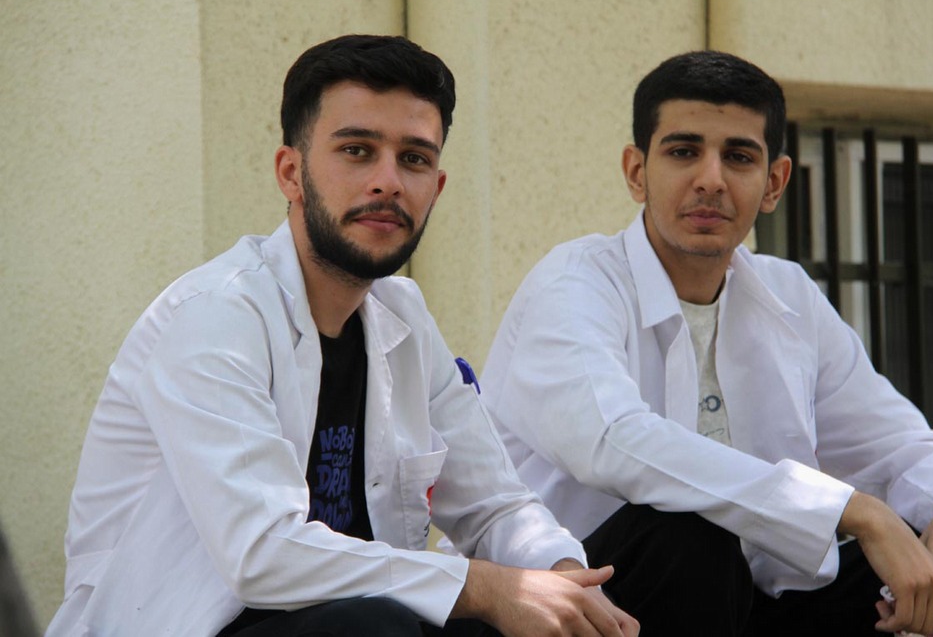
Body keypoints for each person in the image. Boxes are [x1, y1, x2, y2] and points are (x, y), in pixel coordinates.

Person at [46, 35, 638, 637]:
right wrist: (486, 588)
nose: (388, 181)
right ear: (291, 173)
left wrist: (565, 580)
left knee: (659, 547)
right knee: (381, 622)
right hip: (206, 625)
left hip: (368, 620)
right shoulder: (215, 316)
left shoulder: (403, 317)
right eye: (357, 151)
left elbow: (496, 505)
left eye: (414, 159)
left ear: (436, 188)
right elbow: (263, 554)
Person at [480, 50, 933, 637]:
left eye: (739, 156)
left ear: (774, 182)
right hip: (578, 600)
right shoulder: (576, 283)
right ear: (636, 172)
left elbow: (896, 445)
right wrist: (856, 512)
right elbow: (613, 441)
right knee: (689, 534)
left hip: (751, 601)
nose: (711, 179)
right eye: (683, 152)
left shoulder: (788, 294)